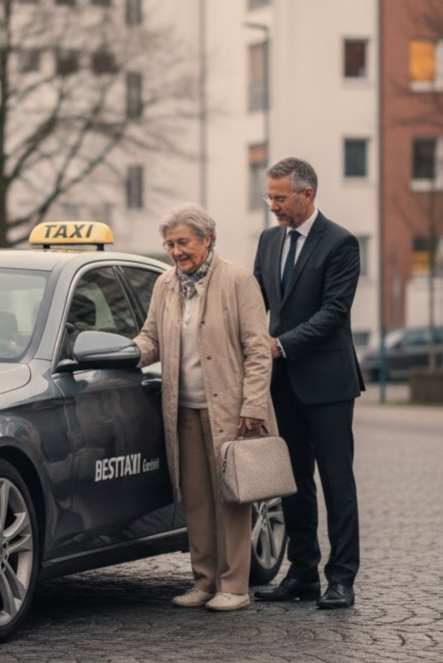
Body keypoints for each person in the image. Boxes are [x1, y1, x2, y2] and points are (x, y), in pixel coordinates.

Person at [134, 204, 275, 612]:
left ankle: (235, 586)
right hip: (183, 407)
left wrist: (254, 405)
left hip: (231, 409)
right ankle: (204, 580)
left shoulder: (237, 280)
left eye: (183, 242)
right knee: (194, 498)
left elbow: (258, 349)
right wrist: (127, 354)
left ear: (207, 240)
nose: (176, 251)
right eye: (170, 244)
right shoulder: (165, 285)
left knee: (231, 498)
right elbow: (151, 339)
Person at [252, 157, 363, 610]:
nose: (273, 206)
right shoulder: (268, 240)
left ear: (307, 195)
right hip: (283, 384)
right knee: (293, 481)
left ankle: (341, 579)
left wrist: (280, 345)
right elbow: (254, 297)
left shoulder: (341, 243)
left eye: (280, 198)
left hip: (329, 383)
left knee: (337, 482)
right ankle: (302, 574)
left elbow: (334, 313)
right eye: (270, 197)